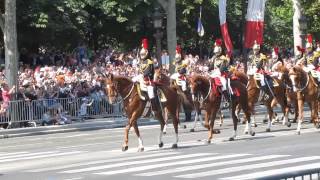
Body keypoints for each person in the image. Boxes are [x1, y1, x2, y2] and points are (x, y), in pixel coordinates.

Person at [208, 38, 231, 104]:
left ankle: (227, 100)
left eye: (217, 52)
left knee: (223, 85)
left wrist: (214, 72)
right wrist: (209, 68)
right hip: (214, 73)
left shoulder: (223, 58)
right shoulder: (214, 58)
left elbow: (221, 69)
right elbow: (211, 67)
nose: (216, 54)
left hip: (221, 74)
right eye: (215, 53)